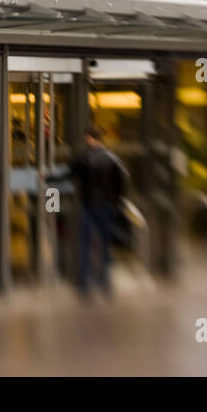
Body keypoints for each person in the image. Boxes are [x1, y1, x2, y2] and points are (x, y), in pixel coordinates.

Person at [71, 124, 127, 296]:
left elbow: (70, 174)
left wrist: (47, 177)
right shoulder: (112, 159)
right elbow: (121, 182)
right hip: (107, 206)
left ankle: (84, 284)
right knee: (105, 245)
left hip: (88, 205)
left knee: (86, 245)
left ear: (89, 138)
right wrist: (117, 202)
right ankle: (105, 282)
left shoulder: (84, 158)